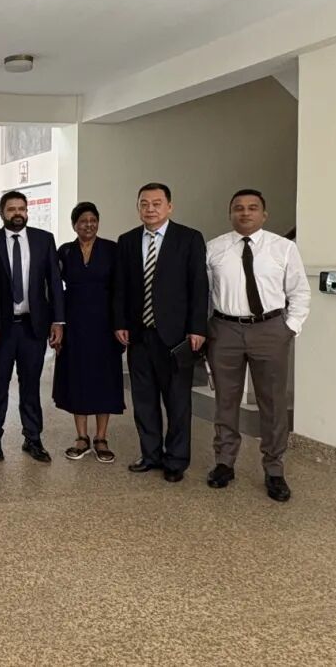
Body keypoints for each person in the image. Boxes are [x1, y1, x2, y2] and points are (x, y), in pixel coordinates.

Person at [204, 189, 310, 502]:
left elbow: (299, 291)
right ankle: (224, 462)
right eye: (238, 208)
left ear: (264, 214)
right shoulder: (214, 248)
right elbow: (204, 293)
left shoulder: (283, 248)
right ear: (230, 214)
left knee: (273, 403)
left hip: (270, 330)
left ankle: (274, 468)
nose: (245, 213)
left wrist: (289, 328)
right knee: (225, 400)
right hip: (225, 330)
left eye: (252, 208)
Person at [113, 183, 208, 483]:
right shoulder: (127, 241)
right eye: (144, 203)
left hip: (176, 336)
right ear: (138, 207)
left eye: (156, 203)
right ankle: (150, 454)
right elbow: (120, 287)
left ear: (169, 206)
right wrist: (120, 322)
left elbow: (199, 286)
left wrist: (197, 327)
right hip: (139, 335)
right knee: (143, 400)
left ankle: (176, 460)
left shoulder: (189, 238)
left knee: (177, 401)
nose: (150, 209)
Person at [0, 191, 64, 463]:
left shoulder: (43, 240)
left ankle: (33, 438)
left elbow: (54, 283)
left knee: (31, 384)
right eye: (11, 209)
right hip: (0, 329)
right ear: (1, 213)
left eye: (21, 208)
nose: (17, 213)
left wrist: (58, 321)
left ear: (27, 212)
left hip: (33, 326)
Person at [52, 202, 125, 463]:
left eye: (93, 220)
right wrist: (57, 324)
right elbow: (54, 288)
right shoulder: (65, 251)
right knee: (77, 378)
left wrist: (121, 324)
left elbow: (121, 288)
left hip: (105, 324)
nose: (89, 225)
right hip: (74, 324)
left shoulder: (112, 250)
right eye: (83, 221)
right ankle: (81, 437)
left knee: (104, 379)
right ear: (74, 225)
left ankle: (101, 438)